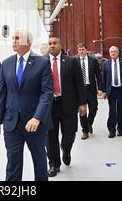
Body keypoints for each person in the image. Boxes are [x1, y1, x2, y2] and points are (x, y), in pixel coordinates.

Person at [0, 29, 53, 181]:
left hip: (35, 124)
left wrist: (37, 117)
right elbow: (1, 94)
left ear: (28, 42)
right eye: (13, 38)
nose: (14, 41)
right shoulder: (6, 64)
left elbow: (47, 93)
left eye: (17, 38)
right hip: (12, 123)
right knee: (13, 163)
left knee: (39, 163)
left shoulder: (42, 63)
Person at [46, 36, 86, 177]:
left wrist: (82, 103)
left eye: (55, 43)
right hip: (49, 106)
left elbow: (79, 83)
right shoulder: (42, 62)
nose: (52, 45)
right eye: (50, 43)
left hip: (68, 103)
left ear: (60, 44)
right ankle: (53, 164)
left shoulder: (71, 61)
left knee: (69, 134)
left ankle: (66, 149)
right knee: (50, 137)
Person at [100, 46, 122, 138]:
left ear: (118, 52)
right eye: (111, 52)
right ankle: (111, 130)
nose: (113, 53)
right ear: (109, 53)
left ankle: (120, 129)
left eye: (115, 51)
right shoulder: (106, 64)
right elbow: (104, 79)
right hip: (111, 90)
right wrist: (104, 91)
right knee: (112, 111)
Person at [76, 43, 103, 139]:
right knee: (82, 110)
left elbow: (98, 75)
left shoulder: (93, 61)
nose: (81, 51)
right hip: (80, 90)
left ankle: (88, 124)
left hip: (91, 89)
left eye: (83, 49)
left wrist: (100, 88)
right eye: (79, 50)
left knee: (94, 108)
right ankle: (85, 131)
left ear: (86, 50)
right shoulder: (74, 61)